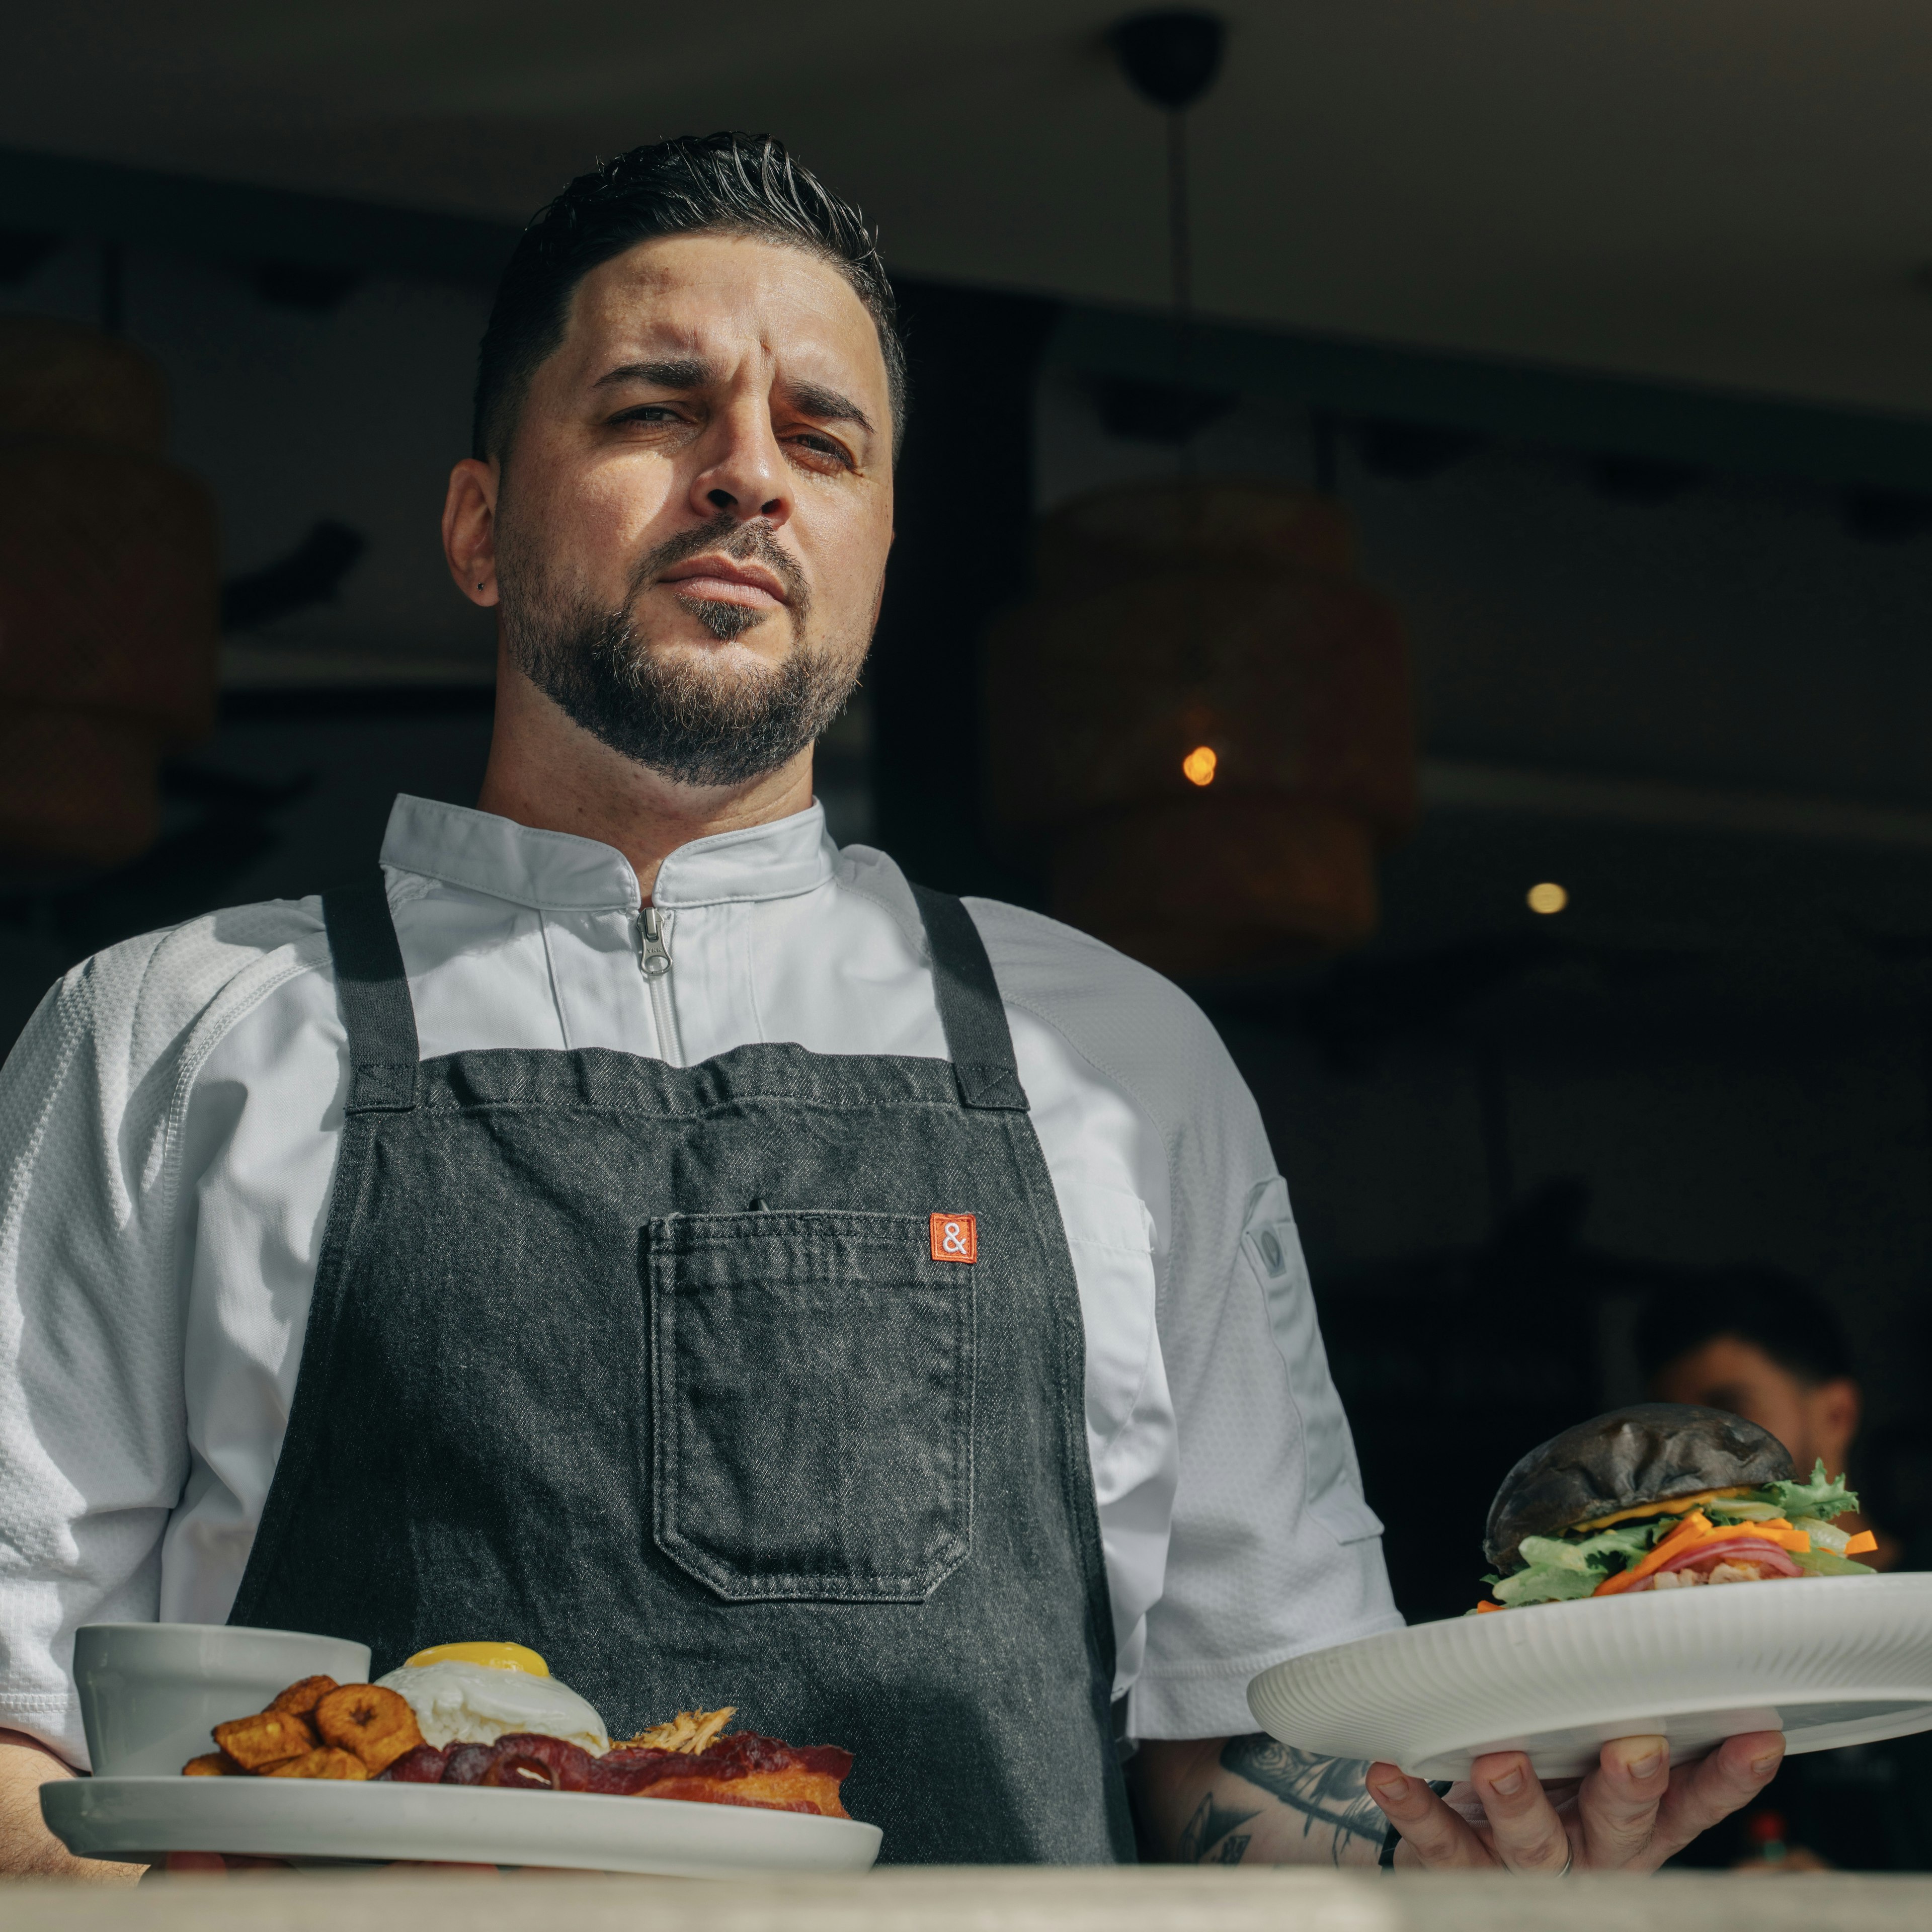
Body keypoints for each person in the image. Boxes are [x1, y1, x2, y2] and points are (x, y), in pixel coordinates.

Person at [0, 133, 1780, 1880]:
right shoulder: (170, 1039)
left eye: (820, 438)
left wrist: (1443, 1871)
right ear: (478, 526)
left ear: (875, 548)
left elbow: (1242, 1742)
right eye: (651, 410)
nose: (747, 475)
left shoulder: (1121, 1059)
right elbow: (18, 1733)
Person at [1638, 1269, 1930, 1871]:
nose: (1695, 1455)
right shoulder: (1659, 1636)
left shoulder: (1920, 1611)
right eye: (1675, 1429)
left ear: (1838, 1415)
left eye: (1729, 1412)